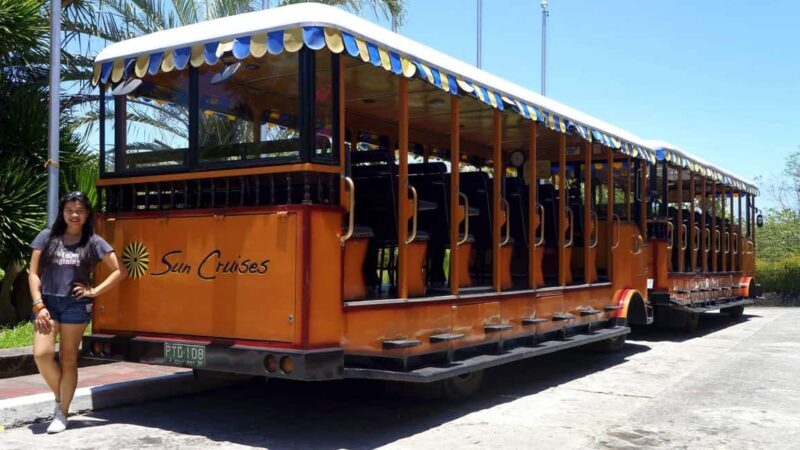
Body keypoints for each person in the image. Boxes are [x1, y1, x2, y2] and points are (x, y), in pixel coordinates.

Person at [28, 191, 126, 433]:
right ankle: (60, 398)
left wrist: (94, 291)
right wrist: (39, 304)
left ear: (87, 214)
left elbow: (120, 271)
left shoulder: (93, 242)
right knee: (42, 354)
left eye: (80, 211)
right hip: (47, 304)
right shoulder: (46, 237)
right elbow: (33, 273)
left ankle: (62, 413)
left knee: (68, 358)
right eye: (70, 210)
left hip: (75, 305)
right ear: (62, 212)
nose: (74, 215)